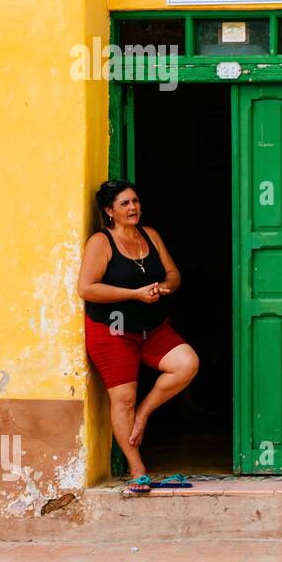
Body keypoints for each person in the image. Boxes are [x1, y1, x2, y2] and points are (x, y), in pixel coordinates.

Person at [78, 179, 199, 492]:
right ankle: (137, 471)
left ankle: (143, 415)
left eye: (135, 201)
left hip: (153, 327)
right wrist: (134, 294)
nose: (133, 208)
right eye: (124, 204)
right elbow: (87, 288)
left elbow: (173, 273)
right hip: (113, 329)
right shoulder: (101, 243)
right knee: (123, 400)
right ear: (109, 211)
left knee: (187, 363)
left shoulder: (151, 235)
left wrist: (168, 285)